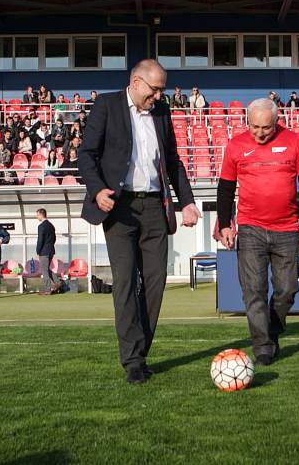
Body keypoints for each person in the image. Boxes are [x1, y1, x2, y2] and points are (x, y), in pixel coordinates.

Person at [78, 59, 202, 384]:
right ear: (136, 81)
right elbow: (86, 154)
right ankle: (133, 360)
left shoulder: (161, 112)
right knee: (124, 282)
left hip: (155, 208)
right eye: (155, 88)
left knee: (156, 281)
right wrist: (97, 190)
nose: (159, 96)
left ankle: (140, 350)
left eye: (162, 89)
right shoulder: (106, 105)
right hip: (119, 208)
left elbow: (173, 161)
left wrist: (187, 202)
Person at [216, 98, 299, 366]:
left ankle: (272, 330)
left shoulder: (294, 142)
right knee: (254, 291)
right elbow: (226, 188)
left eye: (265, 127)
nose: (259, 133)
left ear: (276, 122)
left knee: (287, 289)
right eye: (254, 127)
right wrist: (225, 223)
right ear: (247, 121)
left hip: (287, 229)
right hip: (250, 229)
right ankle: (262, 346)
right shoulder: (236, 145)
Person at [36, 208, 65, 294]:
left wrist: (38, 250)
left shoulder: (41, 226)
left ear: (41, 214)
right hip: (51, 250)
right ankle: (59, 283)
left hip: (44, 252)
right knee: (47, 269)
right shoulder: (51, 225)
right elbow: (54, 238)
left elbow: (40, 240)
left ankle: (48, 289)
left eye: (37, 215)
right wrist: (50, 246)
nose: (37, 217)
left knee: (44, 270)